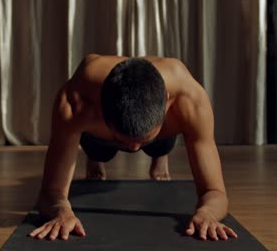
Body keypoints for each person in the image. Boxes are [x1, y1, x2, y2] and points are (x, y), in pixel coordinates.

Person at [28, 54, 238, 241]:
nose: (134, 149)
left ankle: (158, 152)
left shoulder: (190, 100)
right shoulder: (75, 101)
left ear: (165, 101)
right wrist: (61, 211)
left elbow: (215, 191)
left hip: (161, 130)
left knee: (160, 145)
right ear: (101, 108)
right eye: (122, 140)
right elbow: (50, 191)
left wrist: (208, 212)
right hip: (99, 133)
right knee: (99, 150)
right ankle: (97, 156)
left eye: (143, 141)